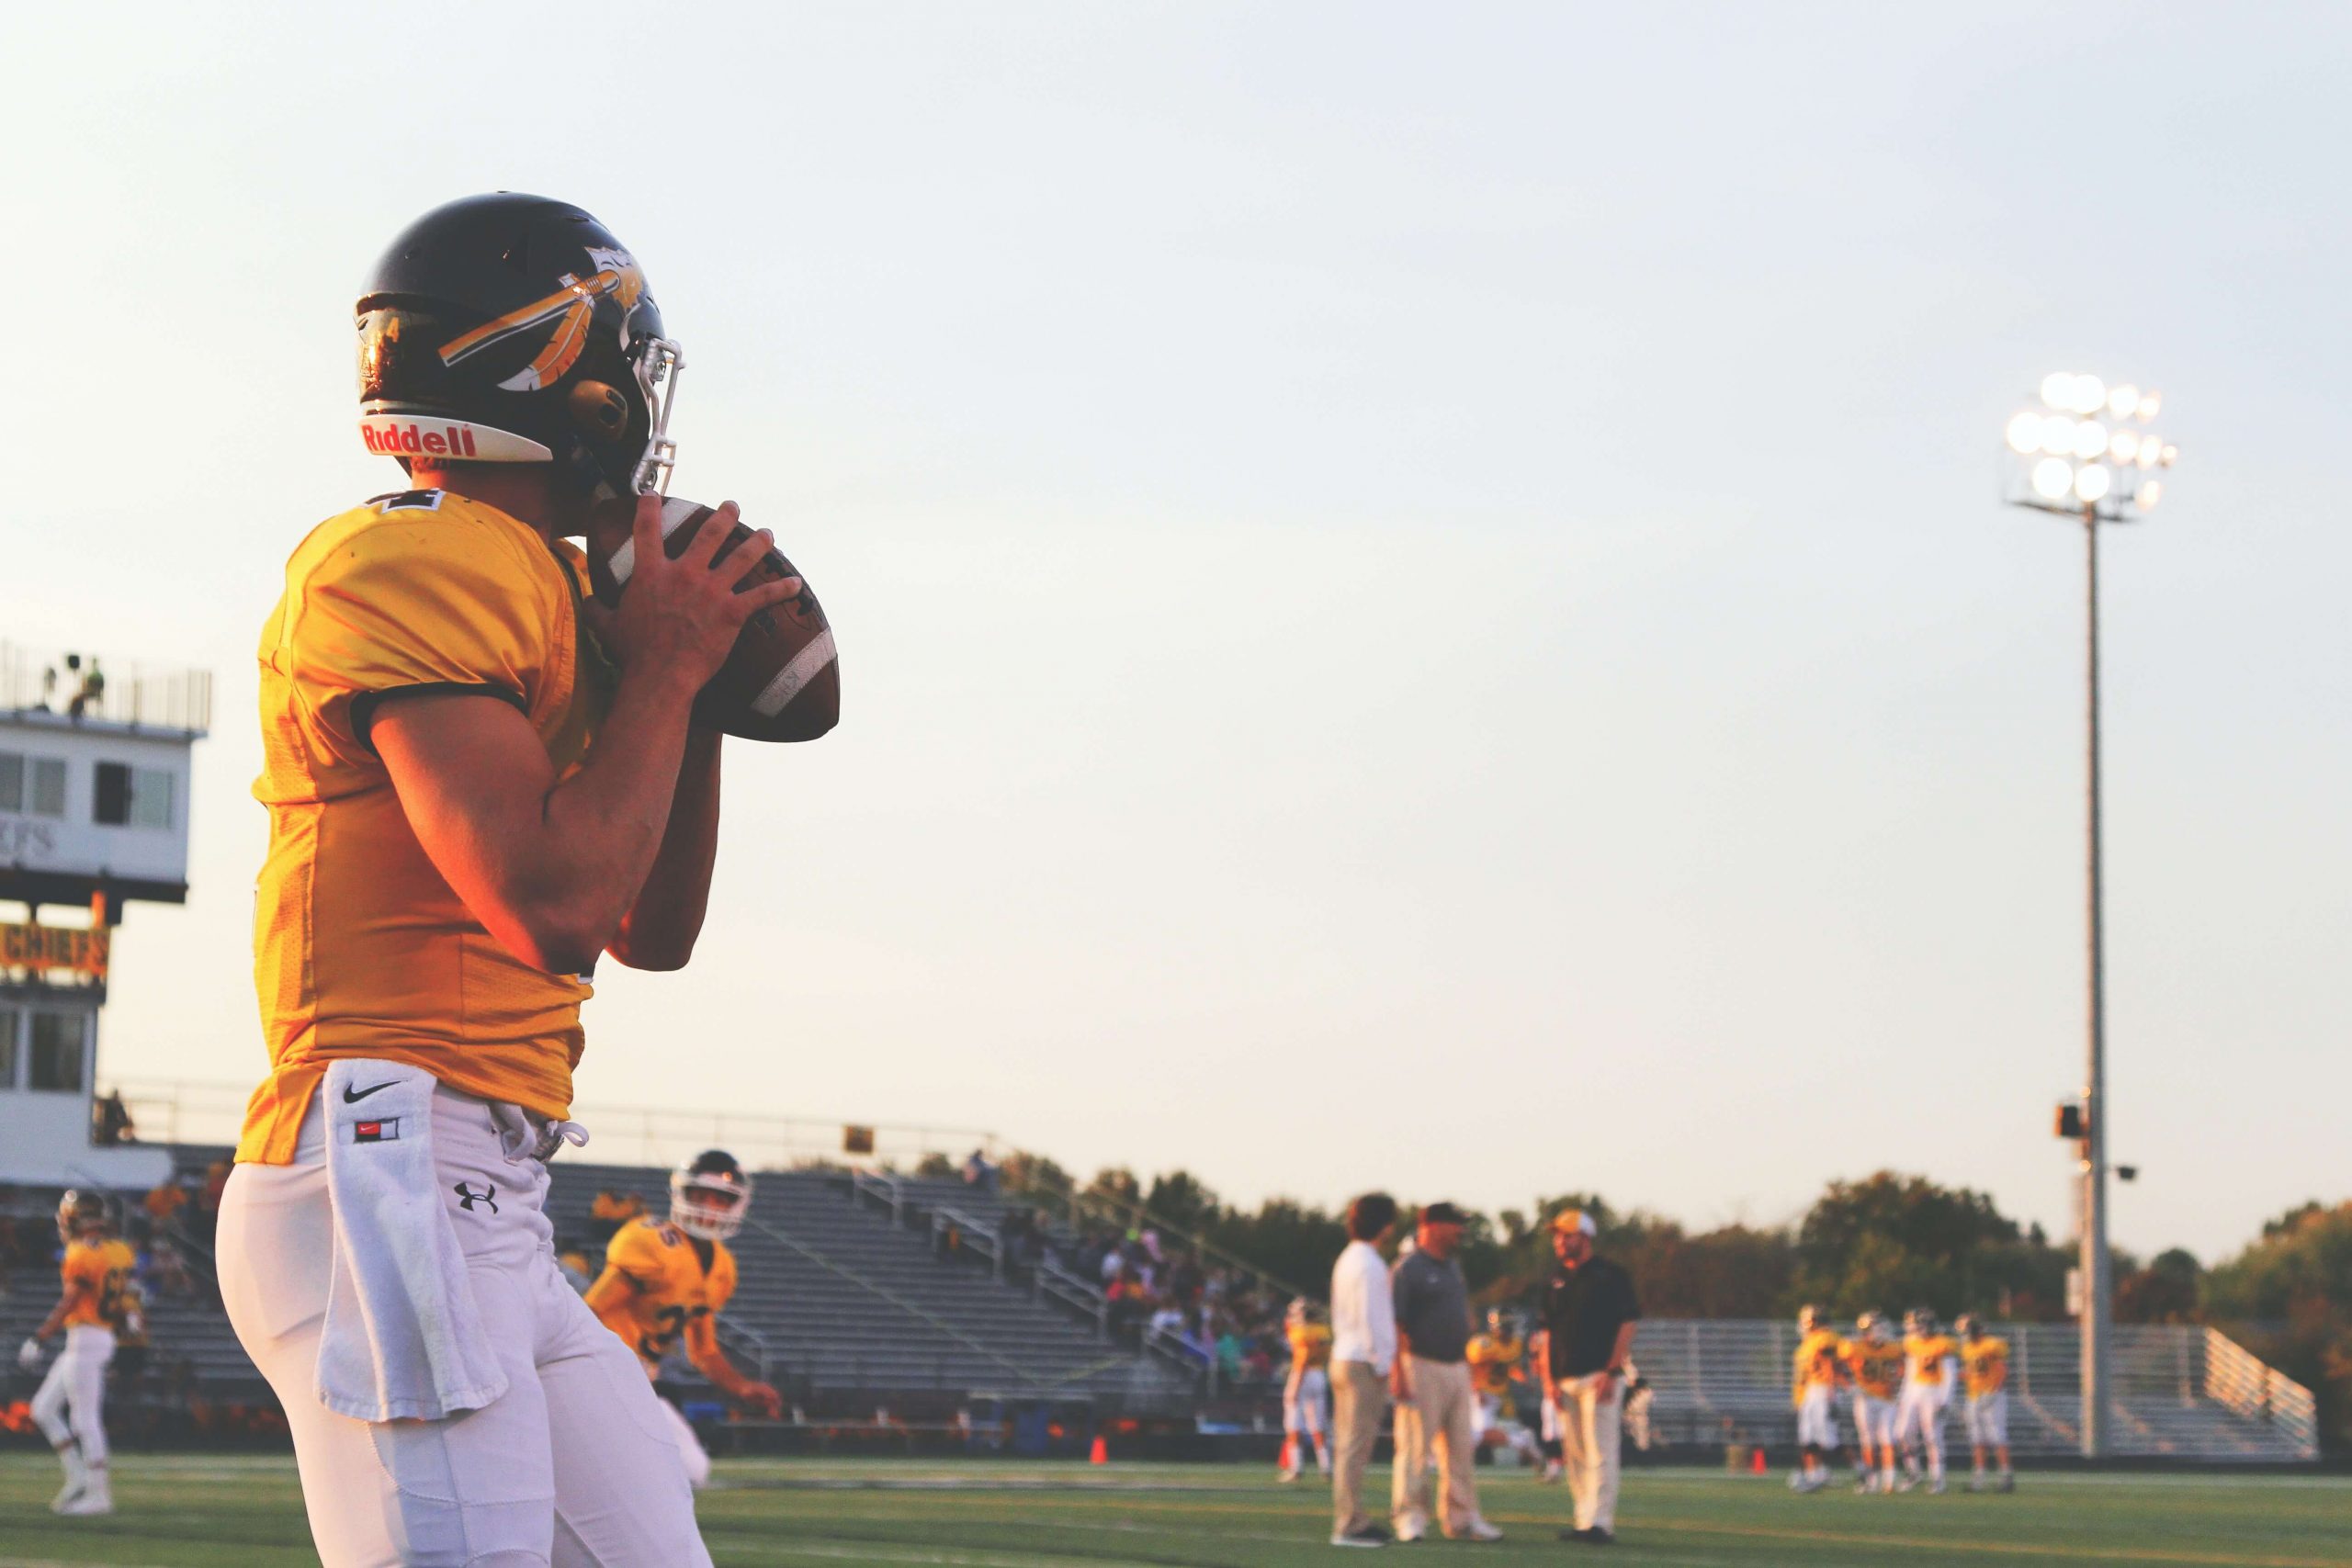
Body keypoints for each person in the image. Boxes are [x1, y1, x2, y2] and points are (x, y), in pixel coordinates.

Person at [214, 192, 808, 1568]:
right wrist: (660, 666)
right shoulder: (416, 552)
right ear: (557, 372)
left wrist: (695, 689)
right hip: (393, 1158)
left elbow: (645, 923)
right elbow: (543, 904)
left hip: (485, 1180)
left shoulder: (538, 583)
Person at [585, 1149, 784, 1489]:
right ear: (681, 1194)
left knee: (692, 1469)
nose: (708, 1206)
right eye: (700, 1195)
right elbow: (590, 1310)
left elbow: (703, 1352)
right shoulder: (652, 1241)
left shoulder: (721, 1267)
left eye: (720, 1198)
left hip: (641, 1382)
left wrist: (742, 1386)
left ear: (736, 1203)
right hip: (602, 1373)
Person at [1389, 1201, 1504, 1542]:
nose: (1461, 1231)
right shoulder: (1407, 1268)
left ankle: (1462, 1518)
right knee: (1414, 1448)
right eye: (1456, 1224)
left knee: (1460, 1450)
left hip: (1456, 1366)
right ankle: (1409, 1516)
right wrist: (1398, 1371)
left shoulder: (1453, 1267)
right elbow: (1395, 1323)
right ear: (1434, 1226)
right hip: (1420, 1363)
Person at [17, 1191, 136, 1515]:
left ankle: (100, 1494)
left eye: (66, 1218)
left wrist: (40, 1338)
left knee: (84, 1419)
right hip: (95, 1337)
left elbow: (71, 1299)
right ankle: (77, 1478)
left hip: (86, 1337)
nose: (62, 1223)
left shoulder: (82, 1253)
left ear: (78, 1219)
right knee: (43, 1408)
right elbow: (124, 1296)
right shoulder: (120, 1250)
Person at [1540, 1208, 1640, 1545]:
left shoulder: (1610, 1275)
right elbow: (1547, 1333)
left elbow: (1627, 1322)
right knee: (1576, 1455)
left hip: (1599, 1374)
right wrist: (1548, 1381)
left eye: (1566, 1235)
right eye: (1558, 1235)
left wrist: (1612, 1370)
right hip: (1565, 1377)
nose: (1560, 1241)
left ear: (1584, 1237)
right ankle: (1584, 1519)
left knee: (1601, 1451)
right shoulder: (1556, 1278)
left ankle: (1600, 1522)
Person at [1328, 1191, 1399, 1548]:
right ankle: (1350, 1523)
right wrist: (1383, 1362)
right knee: (1357, 1446)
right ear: (1383, 1225)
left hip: (1344, 1354)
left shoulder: (1348, 1258)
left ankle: (1350, 1517)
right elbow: (1374, 1319)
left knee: (1347, 1445)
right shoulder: (1370, 1263)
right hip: (1361, 1361)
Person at [1787, 1304, 1853, 1493]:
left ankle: (1861, 1471)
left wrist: (1834, 1391)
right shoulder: (1806, 1346)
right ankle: (1813, 1474)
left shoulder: (1825, 1338)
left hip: (1822, 1391)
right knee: (1809, 1438)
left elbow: (1830, 1365)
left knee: (1826, 1439)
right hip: (1809, 1394)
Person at [1894, 1308, 1959, 1493]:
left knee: (1933, 1437)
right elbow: (1910, 1372)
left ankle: (1938, 1478)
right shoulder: (1911, 1342)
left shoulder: (1943, 1343)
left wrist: (1945, 1400)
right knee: (1901, 1433)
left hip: (1934, 1392)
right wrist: (1903, 1395)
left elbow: (1950, 1374)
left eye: (1917, 1325)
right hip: (1913, 1391)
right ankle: (1913, 1472)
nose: (1913, 1329)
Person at [1843, 1310, 1904, 1493]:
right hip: (1865, 1399)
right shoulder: (1854, 1347)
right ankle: (1872, 1480)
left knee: (1888, 1439)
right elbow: (1838, 1367)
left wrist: (1896, 1382)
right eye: (1878, 1327)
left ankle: (1889, 1480)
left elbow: (1903, 1367)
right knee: (1868, 1441)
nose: (1882, 1330)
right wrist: (1850, 1386)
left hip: (1887, 1399)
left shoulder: (1892, 1348)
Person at [1956, 1314, 2014, 1492]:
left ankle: (2006, 1477)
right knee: (1977, 1439)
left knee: (1997, 1437)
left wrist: (1995, 1391)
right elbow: (1972, 1371)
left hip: (1992, 1396)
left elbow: (2003, 1370)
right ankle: (1979, 1478)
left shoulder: (1992, 1344)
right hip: (1973, 1396)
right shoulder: (1966, 1348)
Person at [1278, 1299, 1334, 1482]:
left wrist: (1295, 1385)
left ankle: (1297, 1467)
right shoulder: (1323, 1330)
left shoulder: (1301, 1331)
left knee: (1293, 1423)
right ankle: (1326, 1467)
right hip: (1319, 1374)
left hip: (1303, 1374)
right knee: (1318, 1424)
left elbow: (1302, 1358)